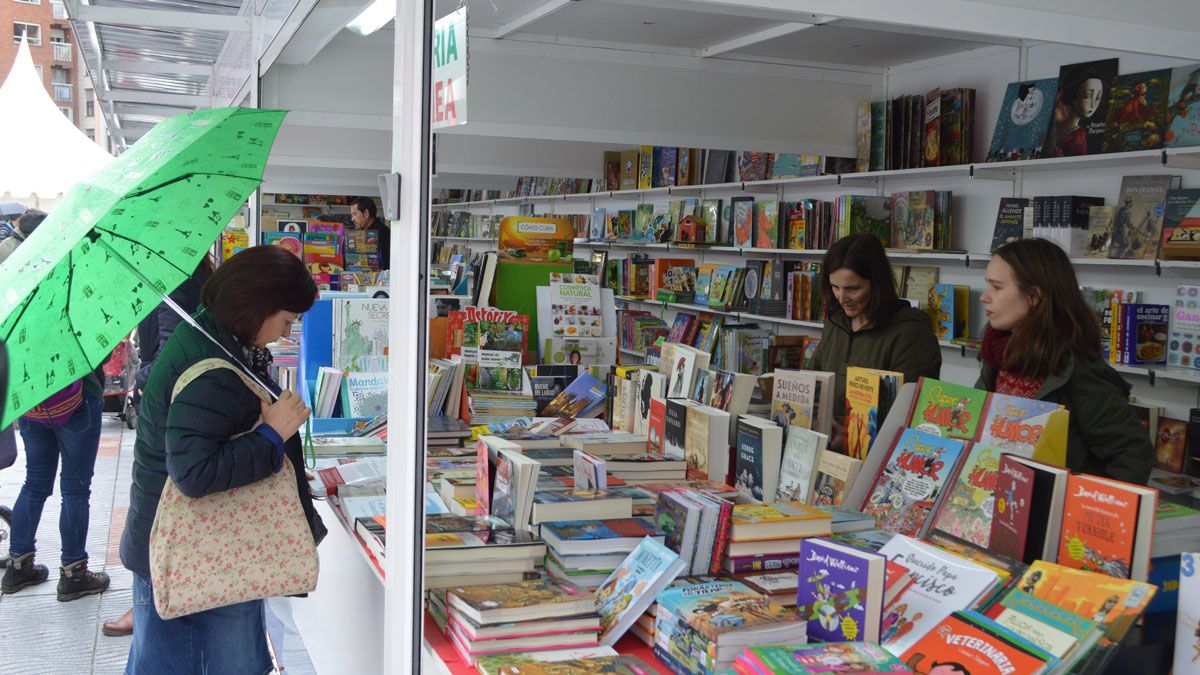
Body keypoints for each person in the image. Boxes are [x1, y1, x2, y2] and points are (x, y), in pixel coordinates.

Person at [121, 246, 322, 674]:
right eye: (286, 320)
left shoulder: (216, 340)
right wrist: (272, 434)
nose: (287, 334)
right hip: (197, 553)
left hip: (193, 547)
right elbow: (195, 473)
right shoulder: (210, 365)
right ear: (258, 306)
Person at [101, 255, 214, 638]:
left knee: (156, 508)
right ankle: (148, 603)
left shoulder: (175, 283)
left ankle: (148, 605)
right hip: (178, 414)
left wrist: (143, 378)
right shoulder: (184, 276)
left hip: (168, 414)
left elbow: (172, 351)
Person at [979, 239, 1153, 484]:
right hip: (998, 497)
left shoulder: (1075, 366)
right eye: (988, 285)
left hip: (1053, 508)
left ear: (1034, 296)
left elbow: (1131, 453)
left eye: (996, 287)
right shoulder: (997, 352)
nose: (984, 297)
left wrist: (1089, 507)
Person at [1, 208, 110, 600]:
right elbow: (96, 334)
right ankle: (74, 572)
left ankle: (18, 566)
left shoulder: (10, 284)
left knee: (35, 482)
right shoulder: (68, 275)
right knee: (76, 489)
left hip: (31, 403)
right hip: (77, 400)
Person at [807, 233, 942, 451]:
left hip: (878, 459)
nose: (841, 298)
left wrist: (852, 440)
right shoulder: (836, 322)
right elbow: (814, 382)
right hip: (827, 451)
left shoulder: (911, 333)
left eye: (853, 288)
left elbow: (911, 415)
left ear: (877, 283)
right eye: (835, 287)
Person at [350, 196, 390, 270]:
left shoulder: (383, 233)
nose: (352, 219)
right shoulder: (361, 232)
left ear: (366, 214)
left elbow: (386, 264)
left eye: (354, 214)